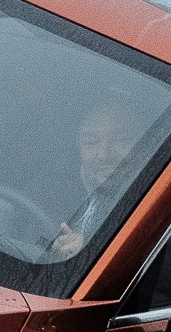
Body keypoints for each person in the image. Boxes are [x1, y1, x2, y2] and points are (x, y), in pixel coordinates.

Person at [46, 100, 144, 258]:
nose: (104, 155)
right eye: (91, 142)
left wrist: (89, 252)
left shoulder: (159, 199)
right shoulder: (54, 187)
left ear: (145, 143)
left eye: (121, 140)